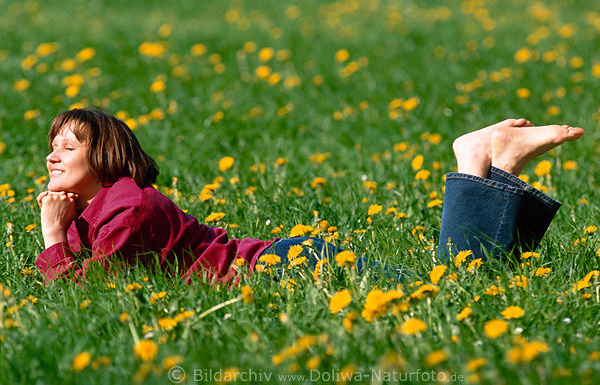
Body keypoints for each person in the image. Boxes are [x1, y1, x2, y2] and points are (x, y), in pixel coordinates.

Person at [35, 109, 584, 284]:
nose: (52, 157)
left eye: (67, 146)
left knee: (451, 289)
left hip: (288, 269)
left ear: (105, 155)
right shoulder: (102, 210)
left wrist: (54, 238)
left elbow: (97, 289)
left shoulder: (129, 206)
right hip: (286, 263)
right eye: (51, 147)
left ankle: (473, 162)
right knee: (485, 289)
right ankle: (503, 166)